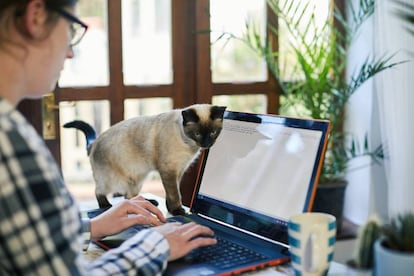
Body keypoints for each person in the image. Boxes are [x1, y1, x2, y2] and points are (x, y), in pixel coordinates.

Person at [0, 0, 217, 275]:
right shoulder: (9, 141)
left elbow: (21, 240)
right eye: (71, 31)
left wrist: (92, 227)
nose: (69, 53)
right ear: (37, 16)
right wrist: (155, 245)